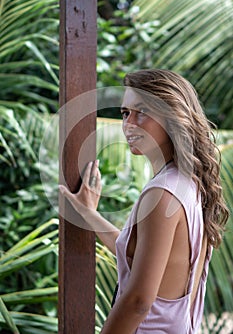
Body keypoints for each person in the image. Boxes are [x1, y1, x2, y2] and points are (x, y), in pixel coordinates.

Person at [59, 69, 229, 333]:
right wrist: (89, 213)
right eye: (125, 113)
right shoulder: (189, 185)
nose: (129, 123)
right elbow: (141, 258)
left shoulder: (162, 194)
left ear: (173, 116)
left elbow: (138, 302)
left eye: (143, 112)